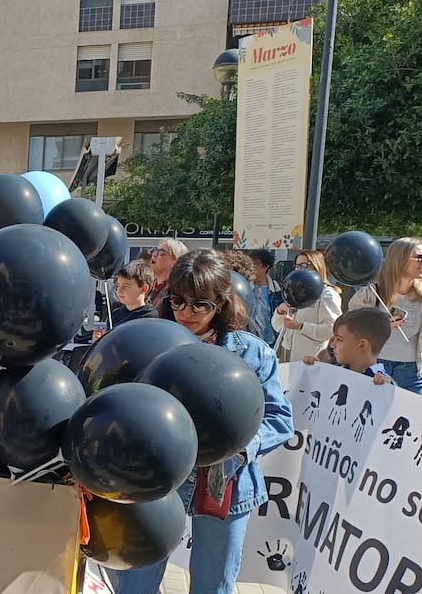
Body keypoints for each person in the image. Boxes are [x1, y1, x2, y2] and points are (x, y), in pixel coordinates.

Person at [107, 249, 292, 594]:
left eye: (199, 305)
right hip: (158, 479)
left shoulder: (253, 353)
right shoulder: (151, 343)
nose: (186, 313)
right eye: (178, 301)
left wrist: (237, 448)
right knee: (134, 582)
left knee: (213, 585)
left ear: (221, 303)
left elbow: (279, 418)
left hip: (227, 481)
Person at [349, 237, 422, 396]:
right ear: (400, 259)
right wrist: (381, 325)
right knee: (378, 418)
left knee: (416, 419)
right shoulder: (372, 292)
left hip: (416, 372)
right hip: (378, 367)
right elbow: (351, 326)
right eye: (420, 257)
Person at [272, 250, 342, 363]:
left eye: (304, 265)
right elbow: (278, 327)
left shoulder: (327, 294)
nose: (299, 270)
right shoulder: (294, 291)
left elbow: (332, 330)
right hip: (287, 354)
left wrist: (301, 326)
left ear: (317, 266)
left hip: (310, 359)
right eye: (297, 266)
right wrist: (280, 312)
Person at [304, 308, 393, 385]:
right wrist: (314, 371)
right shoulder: (334, 371)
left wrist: (388, 390)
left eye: (339, 339)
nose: (332, 345)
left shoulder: (382, 383)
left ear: (362, 345)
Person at [93, 260, 159, 342]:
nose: (119, 290)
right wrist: (101, 340)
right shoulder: (115, 314)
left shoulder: (152, 318)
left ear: (144, 288)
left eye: (125, 286)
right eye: (118, 285)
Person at [247, 249, 283, 346]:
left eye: (256, 264)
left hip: (271, 340)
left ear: (266, 266)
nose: (252, 267)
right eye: (250, 264)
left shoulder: (277, 290)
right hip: (249, 340)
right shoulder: (245, 288)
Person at [146, 238, 188, 307]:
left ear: (176, 261)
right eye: (154, 251)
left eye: (161, 252)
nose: (154, 255)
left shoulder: (177, 292)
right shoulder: (146, 286)